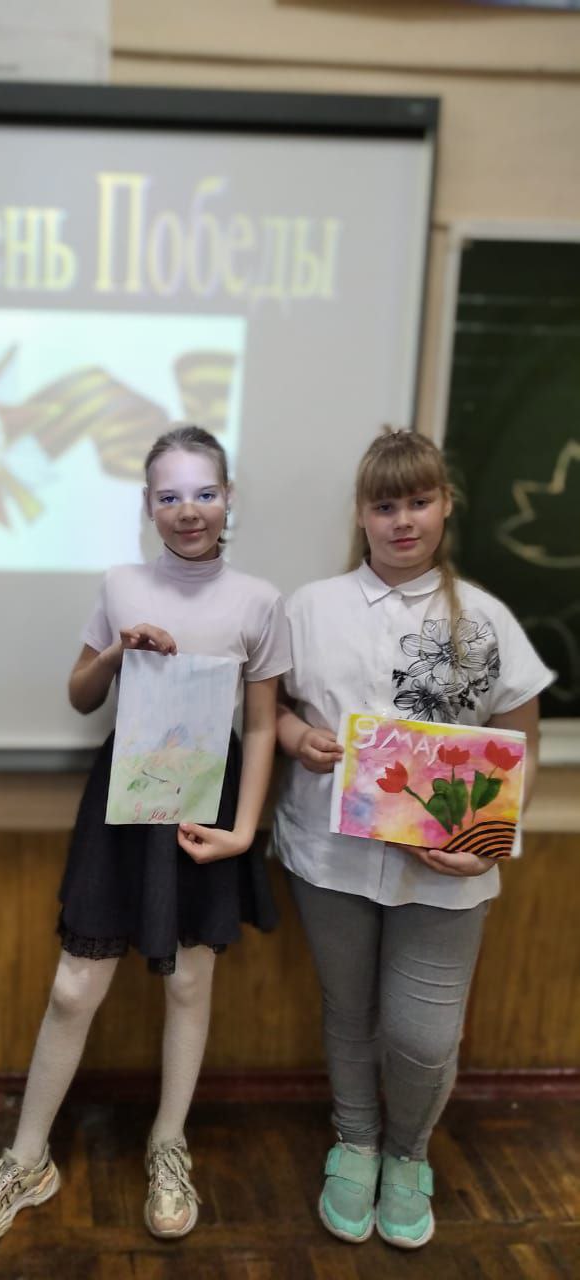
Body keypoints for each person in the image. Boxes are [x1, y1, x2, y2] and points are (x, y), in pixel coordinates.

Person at [0, 424, 290, 1247]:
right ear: (146, 504)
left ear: (228, 497)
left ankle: (168, 1145)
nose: (187, 510)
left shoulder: (259, 600)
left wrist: (243, 832)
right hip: (123, 798)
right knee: (74, 987)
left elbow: (261, 724)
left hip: (205, 802)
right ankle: (27, 1160)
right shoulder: (120, 584)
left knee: (188, 985)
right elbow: (79, 695)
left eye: (203, 493)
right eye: (169, 496)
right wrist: (115, 651)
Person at [272, 428, 554, 1250]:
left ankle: (407, 1152)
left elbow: (520, 742)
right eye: (384, 505)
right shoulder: (309, 608)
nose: (402, 521)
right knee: (348, 1012)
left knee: (421, 1035)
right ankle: (356, 1143)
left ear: (445, 506)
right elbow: (269, 710)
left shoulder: (486, 618)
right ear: (361, 515)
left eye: (419, 502)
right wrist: (295, 738)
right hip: (329, 855)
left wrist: (489, 837)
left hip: (446, 868)